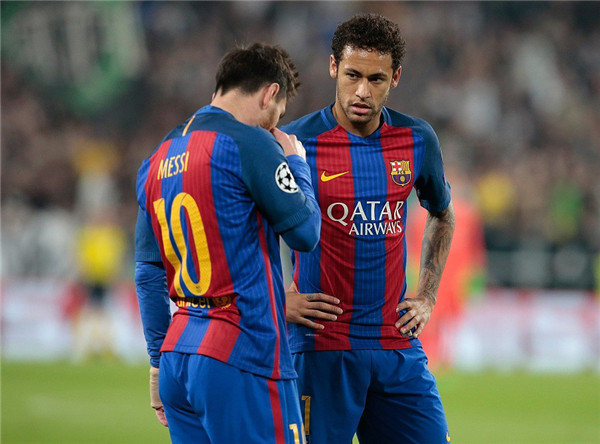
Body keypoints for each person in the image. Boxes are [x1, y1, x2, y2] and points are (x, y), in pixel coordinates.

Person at [281, 13, 455, 444]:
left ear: (395, 77)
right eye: (353, 75)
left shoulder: (416, 139)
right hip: (321, 347)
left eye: (376, 79)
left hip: (396, 344)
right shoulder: (294, 144)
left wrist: (427, 295)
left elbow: (442, 212)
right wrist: (280, 295)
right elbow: (254, 227)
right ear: (333, 67)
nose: (362, 91)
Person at [134, 42, 320, 444]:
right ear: (270, 93)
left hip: (178, 357)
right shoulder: (250, 144)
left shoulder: (157, 158)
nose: (274, 126)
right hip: (243, 353)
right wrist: (296, 163)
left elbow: (148, 273)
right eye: (278, 113)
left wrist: (156, 363)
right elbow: (306, 233)